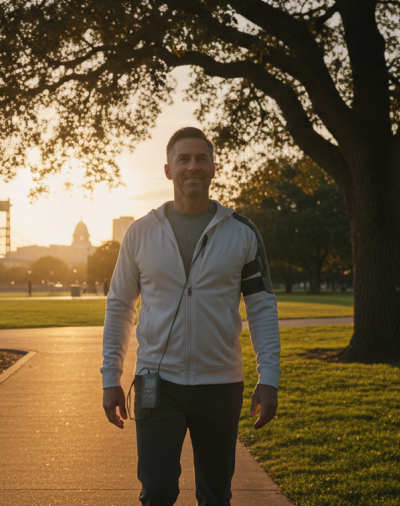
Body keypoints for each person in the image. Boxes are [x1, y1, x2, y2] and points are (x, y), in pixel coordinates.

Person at [101, 127, 281, 506]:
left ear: (214, 168)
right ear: (168, 170)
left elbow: (261, 304)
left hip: (220, 386)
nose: (193, 166)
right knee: (158, 492)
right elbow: (120, 305)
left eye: (201, 159)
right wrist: (110, 378)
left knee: (216, 497)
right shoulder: (140, 233)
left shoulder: (242, 232)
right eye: (183, 159)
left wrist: (270, 377)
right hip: (155, 384)